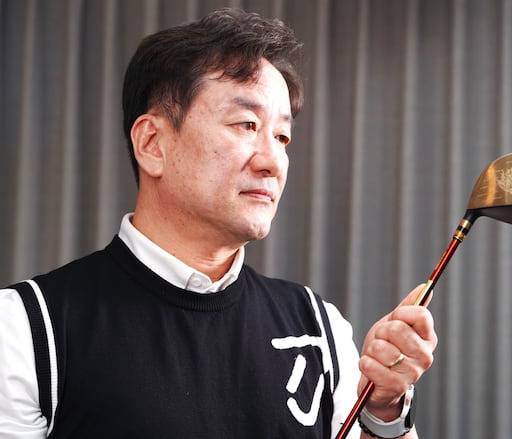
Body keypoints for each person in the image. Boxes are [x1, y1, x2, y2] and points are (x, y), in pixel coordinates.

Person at [0, 9, 437, 439]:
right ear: (152, 143)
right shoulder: (25, 328)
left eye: (282, 136)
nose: (273, 162)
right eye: (247, 124)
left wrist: (384, 412)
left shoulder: (320, 327)